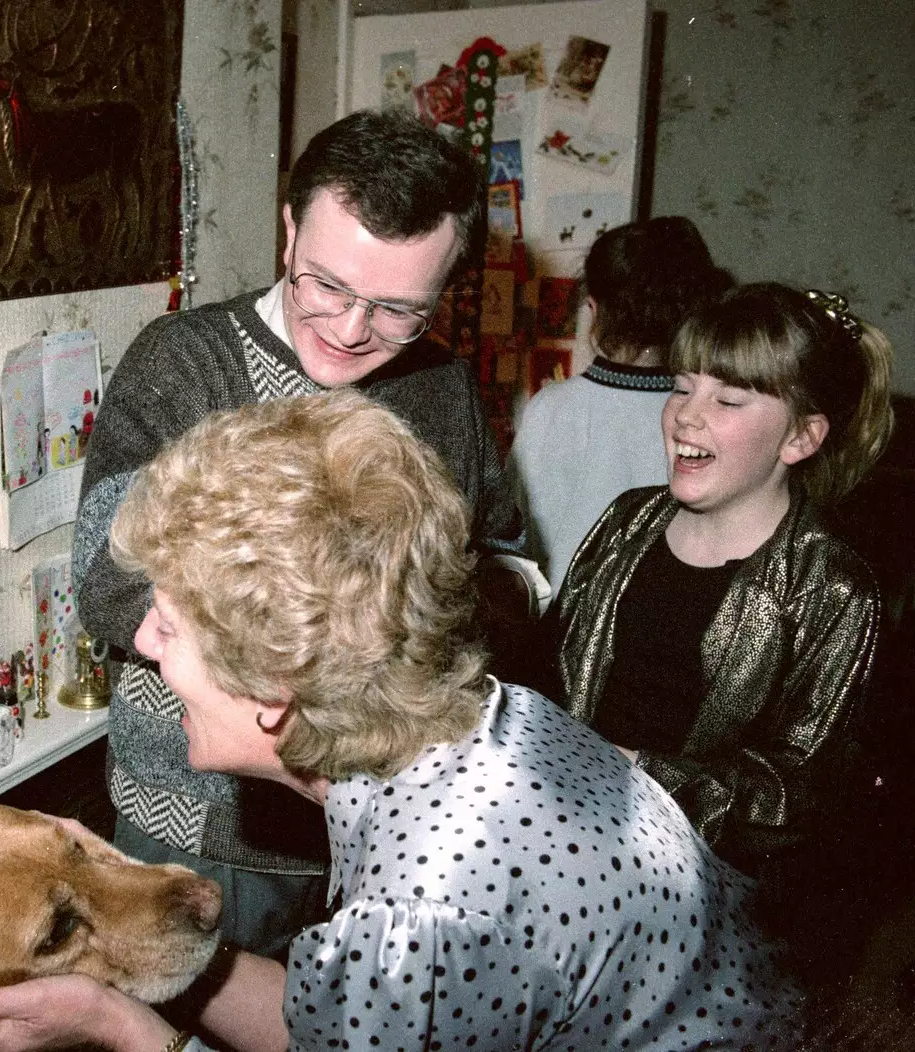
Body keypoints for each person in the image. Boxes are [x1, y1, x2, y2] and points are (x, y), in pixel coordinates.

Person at [0, 391, 801, 1052]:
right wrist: (148, 962)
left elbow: (397, 983)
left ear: (275, 689)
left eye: (171, 623)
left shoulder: (427, 918)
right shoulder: (499, 725)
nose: (143, 640)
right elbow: (343, 1022)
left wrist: (115, 1027)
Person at [72, 108, 524, 958]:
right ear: (288, 232)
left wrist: (483, 600)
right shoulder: (182, 364)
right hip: (201, 823)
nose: (353, 332)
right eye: (328, 286)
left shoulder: (442, 386)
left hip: (385, 820)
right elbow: (108, 588)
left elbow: (502, 557)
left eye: (399, 310)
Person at [549, 283, 894, 959]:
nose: (686, 416)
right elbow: (549, 668)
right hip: (568, 843)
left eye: (728, 400)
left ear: (801, 436)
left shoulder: (834, 589)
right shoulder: (628, 522)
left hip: (702, 904)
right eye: (681, 388)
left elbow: (796, 794)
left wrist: (636, 772)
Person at [508, 217, 734, 591]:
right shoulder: (703, 416)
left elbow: (517, 536)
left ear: (594, 311)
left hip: (560, 623)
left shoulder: (551, 407)